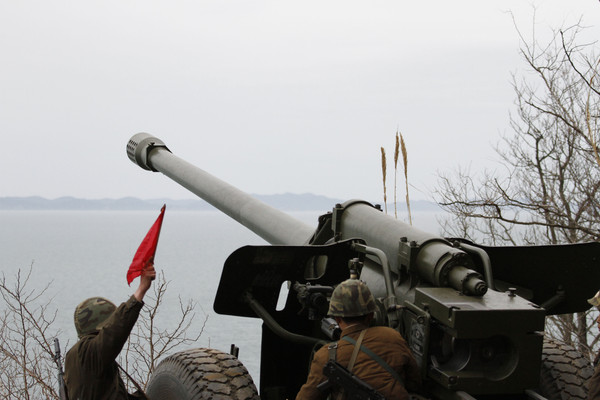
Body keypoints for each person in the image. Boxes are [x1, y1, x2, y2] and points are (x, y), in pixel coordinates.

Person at [296, 278, 421, 400]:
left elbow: (307, 396)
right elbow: (414, 382)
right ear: (371, 315)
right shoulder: (393, 337)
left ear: (337, 319)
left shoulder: (327, 355)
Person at [64, 262, 156, 400]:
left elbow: (104, 394)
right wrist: (141, 290)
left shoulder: (77, 357)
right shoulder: (90, 353)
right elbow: (116, 329)